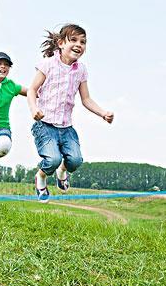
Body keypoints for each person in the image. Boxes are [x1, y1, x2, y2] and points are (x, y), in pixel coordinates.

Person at [27, 24, 114, 203]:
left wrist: (103, 113)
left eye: (83, 42)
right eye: (73, 40)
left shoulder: (80, 70)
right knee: (52, 159)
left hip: (66, 127)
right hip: (45, 125)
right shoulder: (48, 64)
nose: (79, 44)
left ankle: (62, 171)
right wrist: (34, 109)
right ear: (60, 43)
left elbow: (86, 99)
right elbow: (32, 90)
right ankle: (41, 177)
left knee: (75, 161)